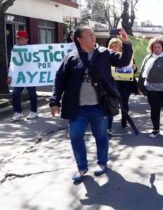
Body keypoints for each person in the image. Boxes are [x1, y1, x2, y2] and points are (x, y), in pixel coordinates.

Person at [49, 26, 133, 181]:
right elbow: (59, 79)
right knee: (75, 137)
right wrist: (54, 101)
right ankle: (81, 167)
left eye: (94, 34)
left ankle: (102, 163)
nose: (93, 37)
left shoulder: (104, 53)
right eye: (89, 35)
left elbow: (124, 61)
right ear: (78, 39)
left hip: (99, 106)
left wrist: (126, 43)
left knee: (101, 136)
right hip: (76, 108)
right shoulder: (71, 57)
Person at [139, 38, 163, 138]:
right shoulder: (148, 58)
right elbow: (142, 72)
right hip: (151, 88)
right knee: (154, 109)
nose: (156, 49)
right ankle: (156, 129)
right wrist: (140, 86)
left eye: (158, 47)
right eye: (154, 47)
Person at [107, 38, 138, 135]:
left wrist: (134, 68)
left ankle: (124, 121)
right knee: (110, 105)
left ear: (120, 47)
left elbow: (133, 70)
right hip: (112, 85)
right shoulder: (106, 56)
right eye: (112, 46)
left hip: (125, 85)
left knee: (124, 104)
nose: (114, 48)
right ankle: (108, 127)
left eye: (116, 46)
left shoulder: (128, 56)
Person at [8, 30, 38, 121]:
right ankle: (18, 112)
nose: (19, 41)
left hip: (30, 75)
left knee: (32, 94)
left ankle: (34, 111)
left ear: (26, 40)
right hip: (19, 76)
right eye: (18, 39)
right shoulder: (15, 49)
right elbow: (12, 63)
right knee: (15, 93)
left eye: (21, 39)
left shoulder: (32, 49)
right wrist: (9, 75)